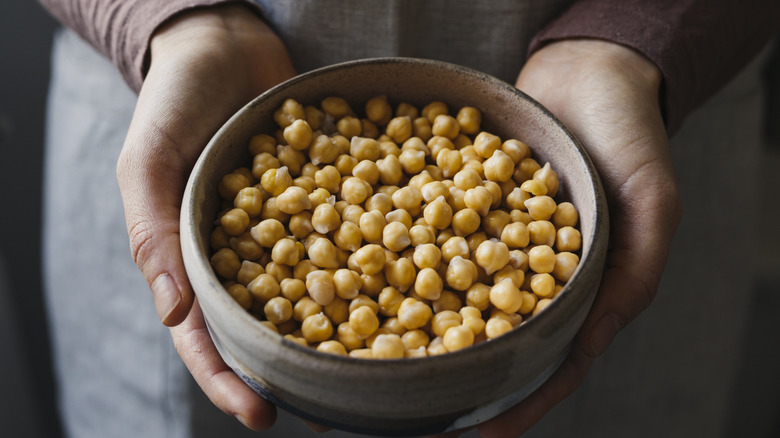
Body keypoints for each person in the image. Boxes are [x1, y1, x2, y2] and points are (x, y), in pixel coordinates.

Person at [36, 1, 780, 437]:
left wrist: (643, 29)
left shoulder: (506, 232)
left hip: (619, 121)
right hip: (182, 103)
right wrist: (163, 16)